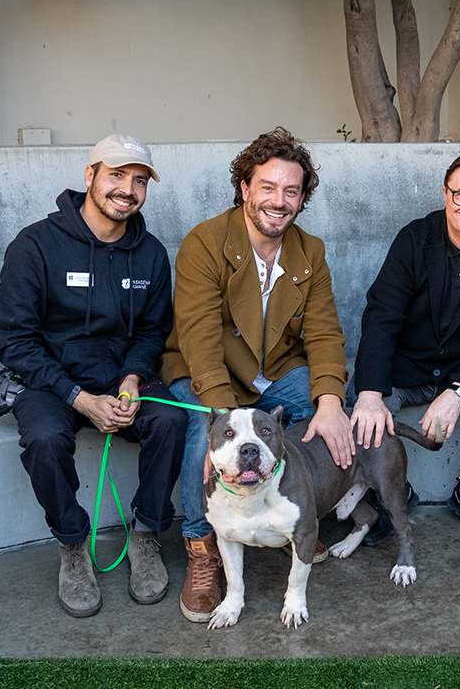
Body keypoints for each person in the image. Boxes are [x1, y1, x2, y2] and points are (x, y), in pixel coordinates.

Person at [158, 127, 353, 623]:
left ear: (303, 198)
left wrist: (331, 401)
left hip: (274, 376)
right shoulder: (205, 242)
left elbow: (326, 334)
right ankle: (202, 550)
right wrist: (223, 417)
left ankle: (295, 520)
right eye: (267, 187)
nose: (279, 200)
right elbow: (200, 338)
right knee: (204, 435)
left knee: (318, 405)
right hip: (211, 375)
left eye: (292, 191)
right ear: (244, 187)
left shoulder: (310, 252)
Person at [0, 134, 186, 618]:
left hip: (122, 378)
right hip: (52, 382)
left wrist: (131, 381)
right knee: (41, 437)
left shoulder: (151, 254)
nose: (128, 189)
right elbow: (15, 341)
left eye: (139, 180)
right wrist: (78, 397)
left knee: (171, 421)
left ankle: (146, 535)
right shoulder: (35, 245)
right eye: (116, 176)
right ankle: (73, 546)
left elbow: (151, 333)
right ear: (90, 177)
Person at [350, 151, 460, 548]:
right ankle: (390, 496)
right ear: (445, 193)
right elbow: (382, 315)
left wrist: (457, 391)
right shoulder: (414, 238)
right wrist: (368, 393)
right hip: (406, 367)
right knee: (363, 407)